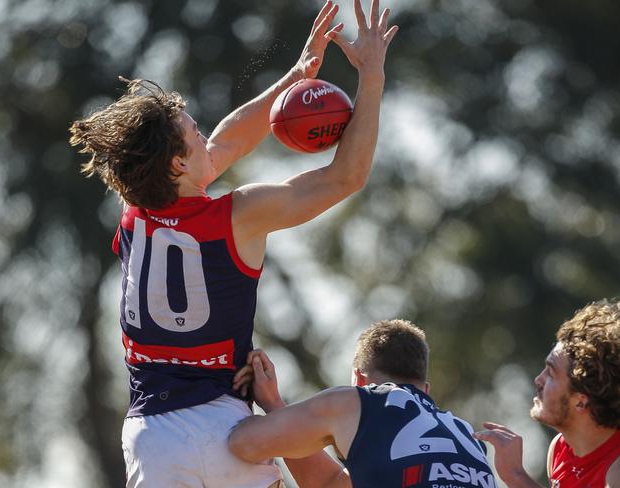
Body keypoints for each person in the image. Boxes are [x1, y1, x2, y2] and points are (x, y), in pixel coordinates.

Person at [68, 0, 397, 486]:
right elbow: (345, 177)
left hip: (152, 437)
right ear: (178, 164)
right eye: (193, 133)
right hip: (229, 431)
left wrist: (296, 75)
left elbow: (227, 141)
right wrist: (371, 77)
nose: (206, 137)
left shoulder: (134, 211)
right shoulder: (238, 215)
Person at [229, 319, 497, 488]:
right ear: (426, 390)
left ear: (359, 378)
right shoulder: (466, 435)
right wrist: (275, 404)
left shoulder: (356, 401)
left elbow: (242, 443)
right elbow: (328, 484)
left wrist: (267, 402)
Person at [473, 299, 620, 488]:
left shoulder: (616, 470)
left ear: (581, 401)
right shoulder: (560, 448)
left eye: (551, 373)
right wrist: (515, 475)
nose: (538, 380)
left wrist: (516, 476)